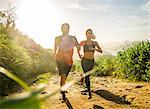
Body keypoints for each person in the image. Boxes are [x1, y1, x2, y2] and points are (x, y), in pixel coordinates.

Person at [54, 23, 81, 101]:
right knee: (63, 75)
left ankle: (62, 87)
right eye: (64, 28)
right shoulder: (57, 38)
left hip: (69, 60)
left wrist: (79, 50)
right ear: (61, 29)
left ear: (69, 29)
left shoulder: (73, 38)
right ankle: (63, 94)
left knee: (65, 76)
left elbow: (77, 46)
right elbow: (55, 48)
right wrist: (54, 56)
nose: (65, 29)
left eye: (66, 28)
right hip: (60, 59)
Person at [79, 29, 102, 99]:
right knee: (87, 76)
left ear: (91, 35)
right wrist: (79, 54)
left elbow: (101, 51)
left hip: (91, 61)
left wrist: (94, 49)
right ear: (86, 35)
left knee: (87, 75)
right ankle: (89, 93)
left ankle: (82, 76)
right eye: (88, 33)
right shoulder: (83, 42)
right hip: (84, 61)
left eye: (90, 33)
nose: (89, 35)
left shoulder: (95, 43)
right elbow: (78, 47)